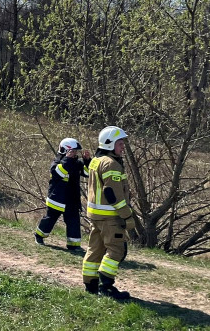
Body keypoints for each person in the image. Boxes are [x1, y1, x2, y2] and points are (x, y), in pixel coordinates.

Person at [82, 126, 134, 299]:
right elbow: (113, 194)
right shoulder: (111, 164)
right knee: (116, 250)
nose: (122, 147)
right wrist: (127, 215)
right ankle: (107, 287)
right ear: (110, 144)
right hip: (110, 217)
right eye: (120, 143)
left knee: (94, 250)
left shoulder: (96, 161)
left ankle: (90, 284)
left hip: (95, 216)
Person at [34, 137, 90, 252]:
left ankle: (74, 245)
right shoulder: (57, 162)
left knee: (74, 222)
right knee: (50, 220)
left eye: (76, 152)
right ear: (65, 151)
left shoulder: (77, 163)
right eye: (73, 152)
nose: (75, 154)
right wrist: (67, 160)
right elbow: (59, 172)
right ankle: (39, 236)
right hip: (57, 199)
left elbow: (87, 173)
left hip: (72, 201)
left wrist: (87, 161)